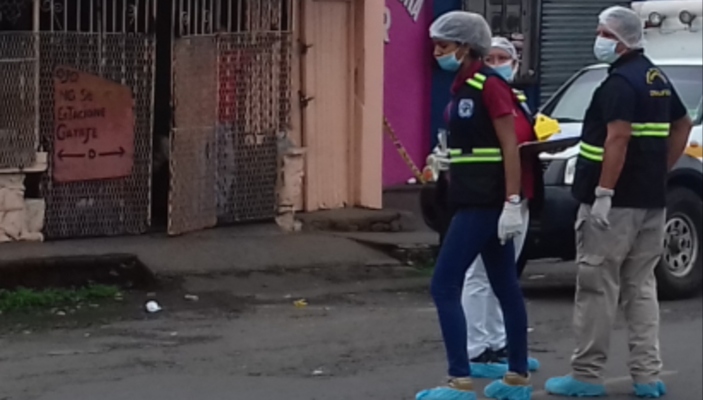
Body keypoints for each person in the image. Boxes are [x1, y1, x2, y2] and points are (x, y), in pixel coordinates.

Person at [544, 6, 692, 399]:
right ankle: (647, 378)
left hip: (614, 205)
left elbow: (618, 138)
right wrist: (661, 168)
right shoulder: (655, 77)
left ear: (620, 39)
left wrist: (604, 193)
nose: (599, 40)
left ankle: (587, 376)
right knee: (641, 288)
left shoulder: (619, 84)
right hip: (651, 200)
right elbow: (683, 124)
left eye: (603, 33)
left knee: (597, 286)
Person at [416, 11, 532, 400]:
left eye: (444, 46)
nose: (437, 52)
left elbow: (509, 146)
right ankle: (517, 376)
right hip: (469, 195)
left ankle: (459, 380)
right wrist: (445, 161)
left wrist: (512, 201)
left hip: (484, 202)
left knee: (443, 284)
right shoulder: (460, 89)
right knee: (504, 285)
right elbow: (474, 144)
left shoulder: (489, 86)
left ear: (466, 48)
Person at [460, 37, 542, 380]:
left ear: (515, 61)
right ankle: (477, 347)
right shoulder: (478, 94)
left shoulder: (516, 98)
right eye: (490, 57)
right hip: (491, 197)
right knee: (478, 274)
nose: (496, 63)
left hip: (519, 196)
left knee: (503, 276)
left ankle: (498, 342)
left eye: (503, 57)